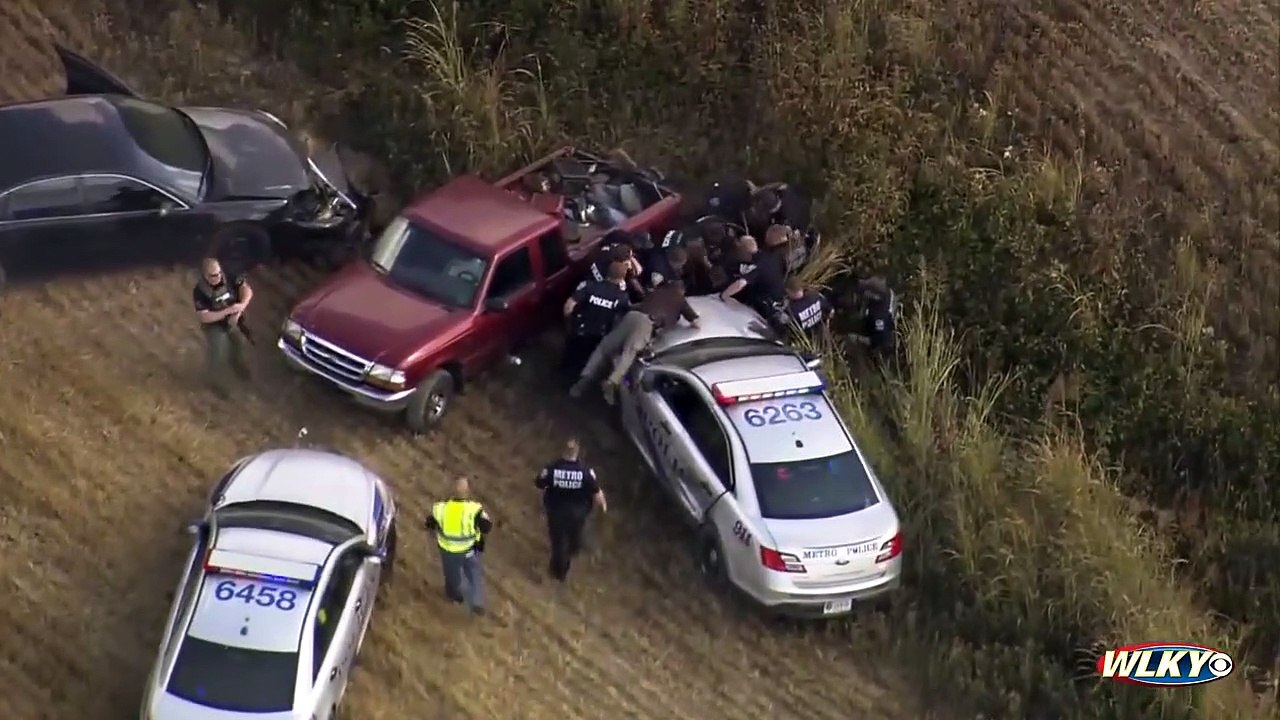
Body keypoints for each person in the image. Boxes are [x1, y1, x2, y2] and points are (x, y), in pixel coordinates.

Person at [570, 280, 700, 404]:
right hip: (648, 324)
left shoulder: (657, 291)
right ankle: (611, 382)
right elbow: (696, 323)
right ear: (682, 290)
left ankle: (583, 381)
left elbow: (638, 304)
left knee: (604, 347)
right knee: (629, 353)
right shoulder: (681, 300)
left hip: (631, 317)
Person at [535, 437, 608, 583]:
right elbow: (597, 492)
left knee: (558, 541)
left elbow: (540, 483)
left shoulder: (552, 468)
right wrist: (603, 507)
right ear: (577, 452)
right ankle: (571, 552)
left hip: (556, 510)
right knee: (573, 538)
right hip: (578, 513)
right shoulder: (585, 472)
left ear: (564, 451)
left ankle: (558, 572)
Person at [424, 477, 493, 615]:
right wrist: (481, 543)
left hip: (448, 551)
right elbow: (486, 526)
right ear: (467, 492)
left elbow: (429, 524)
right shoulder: (474, 509)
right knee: (474, 574)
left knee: (452, 576)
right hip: (469, 549)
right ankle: (477, 602)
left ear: (452, 492)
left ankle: (454, 595)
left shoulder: (440, 509)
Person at [192, 257, 254, 396]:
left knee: (239, 343)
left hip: (233, 320)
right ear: (205, 275)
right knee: (218, 352)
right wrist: (227, 312)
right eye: (214, 275)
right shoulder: (200, 291)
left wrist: (240, 307)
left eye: (219, 273)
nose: (218, 277)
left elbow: (246, 289)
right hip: (214, 325)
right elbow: (204, 316)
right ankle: (215, 381)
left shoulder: (229, 276)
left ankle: (237, 365)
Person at [562, 260, 631, 378]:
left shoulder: (589, 286)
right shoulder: (622, 297)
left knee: (569, 357)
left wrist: (568, 322)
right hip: (598, 336)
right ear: (622, 278)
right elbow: (622, 319)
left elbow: (569, 306)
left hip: (579, 330)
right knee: (587, 362)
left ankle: (561, 375)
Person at [719, 225, 789, 320]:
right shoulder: (770, 256)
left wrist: (724, 295)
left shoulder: (757, 265)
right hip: (780, 299)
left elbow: (740, 283)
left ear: (744, 251)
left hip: (768, 308)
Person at [849, 277, 897, 367]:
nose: (865, 294)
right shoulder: (886, 293)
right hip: (872, 324)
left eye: (867, 292)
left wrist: (859, 339)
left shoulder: (880, 318)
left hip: (879, 342)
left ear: (875, 296)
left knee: (851, 340)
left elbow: (879, 341)